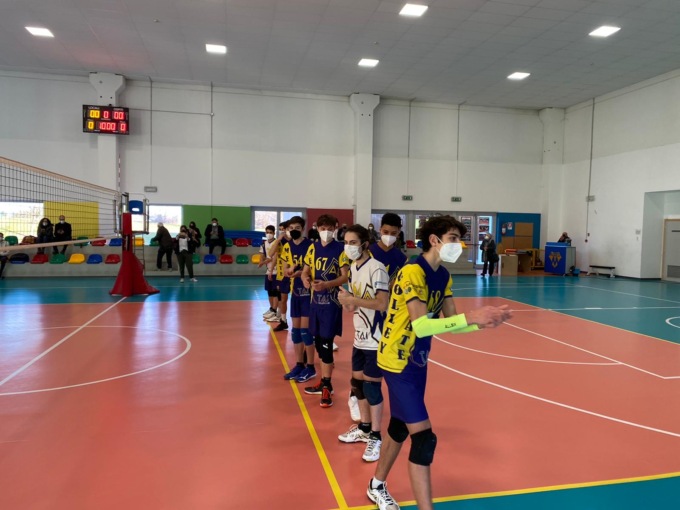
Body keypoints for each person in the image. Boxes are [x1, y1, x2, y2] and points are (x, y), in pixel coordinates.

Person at [366, 215, 512, 510]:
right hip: (396, 360)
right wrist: (472, 317)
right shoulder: (412, 272)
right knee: (424, 439)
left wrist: (482, 322)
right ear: (434, 240)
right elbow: (421, 326)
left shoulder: (443, 275)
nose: (459, 245)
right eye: (453, 239)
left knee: (399, 426)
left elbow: (451, 322)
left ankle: (376, 484)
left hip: (418, 360)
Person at [346, 212, 407, 421]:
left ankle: (372, 424)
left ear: (398, 233)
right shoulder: (365, 254)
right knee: (360, 377)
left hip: (383, 320)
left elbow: (393, 292)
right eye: (385, 231)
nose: (389, 236)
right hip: (363, 318)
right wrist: (349, 299)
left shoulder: (401, 259)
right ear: (379, 230)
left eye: (393, 233)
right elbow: (355, 283)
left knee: (373, 379)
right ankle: (356, 399)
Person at [337, 224, 389, 463]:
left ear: (365, 244)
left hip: (376, 337)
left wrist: (353, 299)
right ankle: (365, 428)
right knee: (357, 385)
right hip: (360, 335)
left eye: (353, 243)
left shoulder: (377, 268)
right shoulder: (353, 268)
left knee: (371, 387)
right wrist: (345, 300)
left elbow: (381, 303)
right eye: (346, 243)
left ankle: (376, 437)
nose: (348, 247)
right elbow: (353, 306)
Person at [301, 214, 349, 408]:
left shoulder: (340, 249)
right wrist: (305, 278)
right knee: (318, 342)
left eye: (330, 228)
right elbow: (306, 270)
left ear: (335, 229)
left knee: (327, 343)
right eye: (323, 228)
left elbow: (345, 276)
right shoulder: (312, 248)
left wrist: (327, 284)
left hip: (331, 304)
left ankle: (327, 385)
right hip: (315, 303)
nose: (326, 232)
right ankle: (324, 379)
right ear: (317, 229)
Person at [281, 216, 316, 383]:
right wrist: (291, 271)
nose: (293, 230)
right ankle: (299, 364)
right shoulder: (287, 247)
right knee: (295, 332)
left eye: (297, 227)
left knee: (306, 332)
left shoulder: (311, 246)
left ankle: (311, 367)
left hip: (308, 293)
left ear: (302, 228)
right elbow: (285, 270)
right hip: (295, 292)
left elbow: (313, 269)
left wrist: (302, 273)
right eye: (291, 228)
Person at [267, 221, 291, 331]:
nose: (282, 231)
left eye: (284, 229)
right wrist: (271, 270)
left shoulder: (293, 241)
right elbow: (272, 254)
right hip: (282, 274)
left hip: (293, 273)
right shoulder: (279, 242)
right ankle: (283, 320)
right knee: (282, 299)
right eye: (280, 229)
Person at [260, 225, 280, 321]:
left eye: (270, 232)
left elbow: (274, 257)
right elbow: (262, 255)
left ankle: (275, 311)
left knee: (276, 292)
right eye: (267, 232)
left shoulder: (277, 243)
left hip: (276, 271)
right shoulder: (264, 244)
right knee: (270, 292)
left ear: (274, 233)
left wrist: (265, 262)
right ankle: (272, 309)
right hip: (268, 271)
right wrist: (261, 260)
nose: (268, 234)